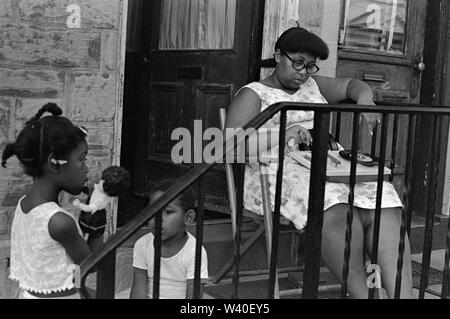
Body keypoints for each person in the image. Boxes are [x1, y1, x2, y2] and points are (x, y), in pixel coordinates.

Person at [225, 27, 413, 299]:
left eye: (310, 66)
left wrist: (365, 99)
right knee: (335, 210)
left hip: (327, 164)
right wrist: (281, 134)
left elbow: (352, 85)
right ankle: (364, 295)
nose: (303, 72)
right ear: (278, 55)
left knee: (385, 203)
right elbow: (232, 147)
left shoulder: (311, 85)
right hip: (277, 174)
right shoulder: (254, 94)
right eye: (298, 62)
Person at [1, 102, 103, 299]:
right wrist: (97, 217)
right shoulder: (59, 222)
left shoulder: (24, 205)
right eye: (82, 159)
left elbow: (64, 272)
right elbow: (92, 264)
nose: (87, 169)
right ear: (54, 164)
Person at [130, 179, 209, 299]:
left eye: (168, 212)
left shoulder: (195, 252)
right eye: (153, 211)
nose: (157, 218)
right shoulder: (142, 244)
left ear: (188, 218)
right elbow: (138, 292)